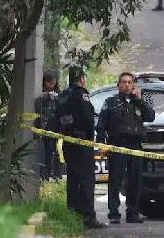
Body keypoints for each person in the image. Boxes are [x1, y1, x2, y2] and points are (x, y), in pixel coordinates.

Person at [96, 72, 156, 224]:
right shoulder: (111, 102)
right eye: (124, 82)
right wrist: (101, 143)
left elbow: (151, 117)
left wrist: (139, 100)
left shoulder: (138, 102)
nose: (127, 85)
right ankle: (114, 213)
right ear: (118, 85)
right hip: (118, 145)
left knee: (135, 180)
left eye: (130, 82)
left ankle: (133, 213)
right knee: (115, 180)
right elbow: (101, 124)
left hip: (135, 146)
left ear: (133, 85)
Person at [54, 66, 106, 228]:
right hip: (82, 143)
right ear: (82, 79)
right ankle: (88, 216)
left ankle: (73, 214)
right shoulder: (80, 94)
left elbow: (57, 117)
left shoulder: (63, 95)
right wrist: (90, 137)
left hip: (68, 142)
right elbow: (88, 118)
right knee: (86, 180)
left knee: (73, 180)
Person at [33, 70, 60, 181]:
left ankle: (50, 174)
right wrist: (47, 96)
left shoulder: (56, 94)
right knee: (43, 155)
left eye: (54, 84)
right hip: (43, 129)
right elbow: (38, 101)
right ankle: (43, 176)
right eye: (51, 83)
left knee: (51, 154)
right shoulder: (41, 95)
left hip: (53, 130)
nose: (52, 86)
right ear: (45, 82)